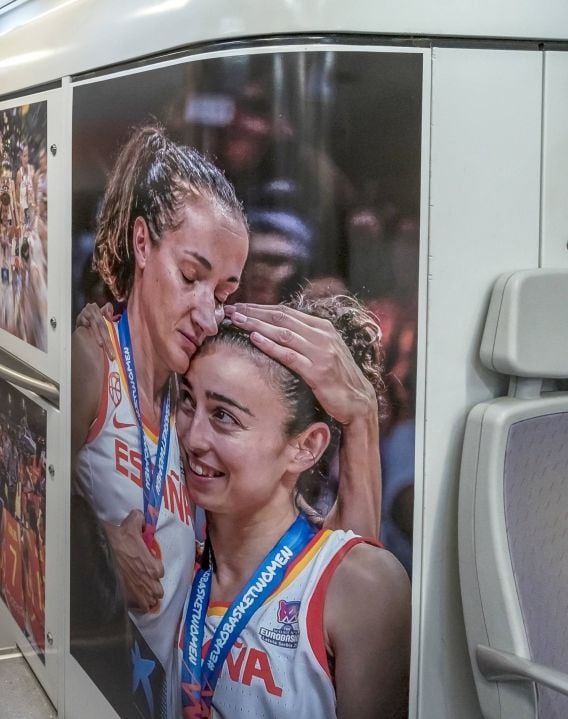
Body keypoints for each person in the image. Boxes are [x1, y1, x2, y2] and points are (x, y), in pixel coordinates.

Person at [71, 125, 383, 718]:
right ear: (142, 244)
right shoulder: (92, 359)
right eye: (191, 276)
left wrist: (361, 414)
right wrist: (95, 535)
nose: (206, 308)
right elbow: (12, 479)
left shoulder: (185, 393)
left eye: (223, 289)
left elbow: (341, 570)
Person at [175, 295, 409, 718]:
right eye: (189, 401)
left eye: (224, 415)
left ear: (305, 447)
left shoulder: (361, 585)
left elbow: (343, 563)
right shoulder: (169, 559)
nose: (193, 437)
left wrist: (361, 416)